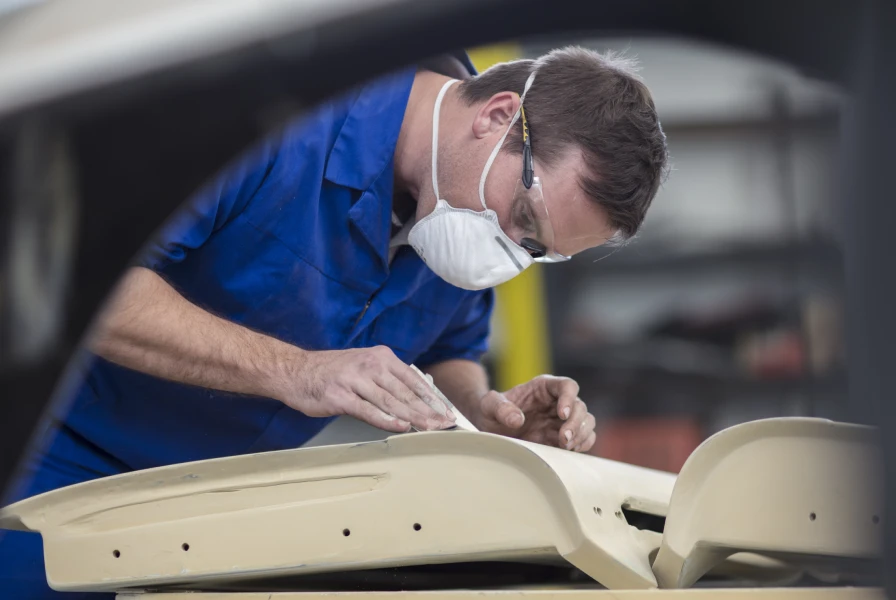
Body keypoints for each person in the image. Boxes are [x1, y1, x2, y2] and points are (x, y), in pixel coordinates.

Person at [0, 46, 669, 598]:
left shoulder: (459, 215)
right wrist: (296, 372)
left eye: (539, 253)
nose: (511, 255)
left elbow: (449, 345)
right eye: (526, 223)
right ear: (497, 116)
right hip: (46, 466)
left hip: (202, 516)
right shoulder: (273, 120)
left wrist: (484, 412)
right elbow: (85, 294)